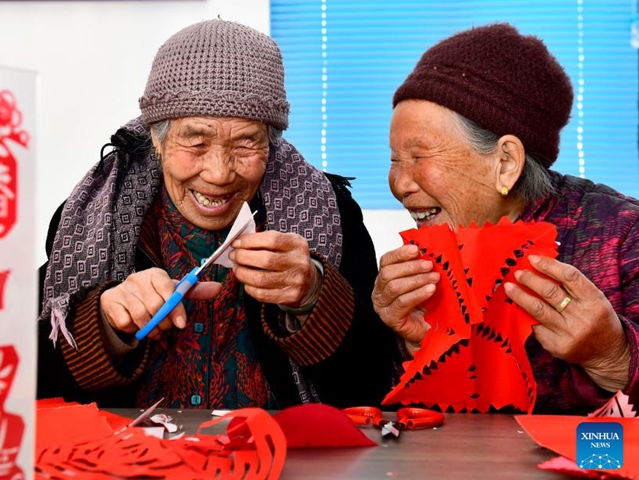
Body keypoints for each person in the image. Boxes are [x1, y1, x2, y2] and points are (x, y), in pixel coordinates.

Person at [37, 19, 395, 410]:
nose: (219, 173)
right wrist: (106, 322)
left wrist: (313, 296)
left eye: (246, 144)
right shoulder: (91, 220)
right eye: (195, 141)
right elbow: (29, 381)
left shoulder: (331, 213)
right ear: (156, 139)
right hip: (135, 462)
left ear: (271, 145)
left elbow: (373, 386)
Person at [372, 23, 639, 415]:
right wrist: (413, 345)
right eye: (395, 160)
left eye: (419, 157)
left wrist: (612, 355)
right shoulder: (432, 250)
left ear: (506, 163)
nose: (399, 182)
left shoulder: (624, 237)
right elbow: (405, 421)